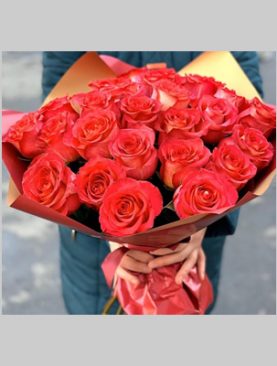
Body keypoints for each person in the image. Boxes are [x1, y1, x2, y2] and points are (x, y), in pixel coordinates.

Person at [42, 51, 263, 314]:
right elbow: (57, 94)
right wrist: (104, 226)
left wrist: (204, 220)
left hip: (194, 247)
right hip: (96, 255)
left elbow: (245, 93)